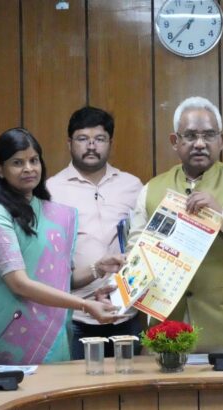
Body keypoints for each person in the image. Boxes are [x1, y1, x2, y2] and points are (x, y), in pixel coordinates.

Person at [127, 97, 223, 353]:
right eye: (190, 136)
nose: (199, 143)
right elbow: (135, 257)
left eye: (209, 135)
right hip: (167, 336)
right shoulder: (150, 190)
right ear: (175, 141)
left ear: (221, 140)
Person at [0, 127, 125, 366]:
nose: (28, 168)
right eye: (17, 162)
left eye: (34, 160)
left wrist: (98, 268)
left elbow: (61, 280)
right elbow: (19, 283)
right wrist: (85, 305)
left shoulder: (54, 214)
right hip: (9, 334)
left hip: (55, 336)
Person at [47, 106, 144, 359]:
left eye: (99, 139)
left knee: (131, 381)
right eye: (82, 139)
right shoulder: (51, 190)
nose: (91, 146)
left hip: (126, 313)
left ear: (111, 142)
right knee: (80, 382)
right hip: (78, 315)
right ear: (69, 143)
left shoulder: (132, 186)